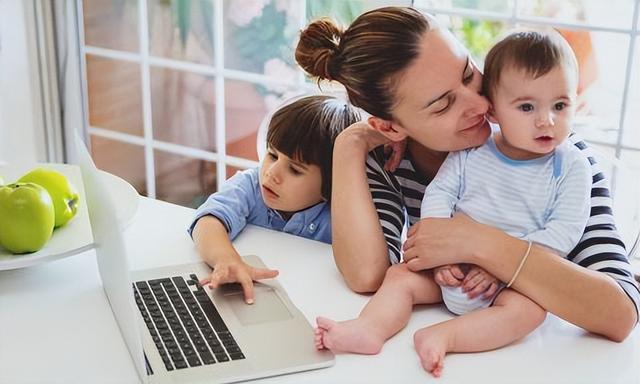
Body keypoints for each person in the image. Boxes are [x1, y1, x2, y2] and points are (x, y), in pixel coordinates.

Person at [295, 6, 638, 351]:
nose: (478, 103)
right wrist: (350, 143)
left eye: (468, 72)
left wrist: (479, 244)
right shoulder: (389, 162)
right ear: (389, 127)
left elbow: (620, 314)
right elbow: (366, 275)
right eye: (444, 105)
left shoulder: (553, 153)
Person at [188, 95, 360, 304]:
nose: (271, 173)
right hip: (247, 298)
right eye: (272, 155)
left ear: (332, 184)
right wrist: (226, 259)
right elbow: (207, 221)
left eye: (295, 170)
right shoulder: (251, 185)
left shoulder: (343, 212)